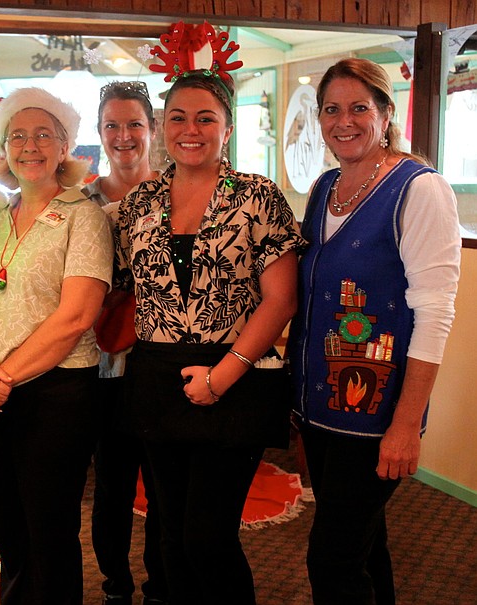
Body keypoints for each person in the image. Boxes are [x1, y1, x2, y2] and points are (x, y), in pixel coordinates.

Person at [114, 69, 304, 604]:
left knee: (207, 538)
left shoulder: (257, 196)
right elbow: (123, 288)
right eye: (177, 118)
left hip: (236, 374)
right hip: (157, 379)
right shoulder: (138, 203)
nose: (190, 129)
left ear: (228, 129)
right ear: (161, 127)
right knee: (170, 537)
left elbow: (281, 300)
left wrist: (221, 376)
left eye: (205, 118)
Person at [287, 58, 461, 605]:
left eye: (359, 108)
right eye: (331, 109)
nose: (344, 121)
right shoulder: (325, 188)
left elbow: (435, 314)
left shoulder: (420, 189)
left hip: (377, 413)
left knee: (332, 559)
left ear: (385, 114)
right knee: (364, 546)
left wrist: (406, 425)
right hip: (320, 407)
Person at [0, 87, 113, 604]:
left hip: (56, 394)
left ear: (65, 146)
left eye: (44, 134)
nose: (30, 145)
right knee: (10, 528)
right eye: (17, 135)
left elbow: (76, 317)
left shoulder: (83, 215)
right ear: (2, 147)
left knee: (49, 532)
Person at [82, 81, 167, 605]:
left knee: (163, 486)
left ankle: (161, 585)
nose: (123, 135)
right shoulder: (81, 201)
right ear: (99, 132)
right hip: (102, 364)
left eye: (134, 123)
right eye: (111, 125)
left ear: (152, 129)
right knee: (112, 486)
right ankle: (116, 585)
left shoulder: (177, 193)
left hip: (162, 362)